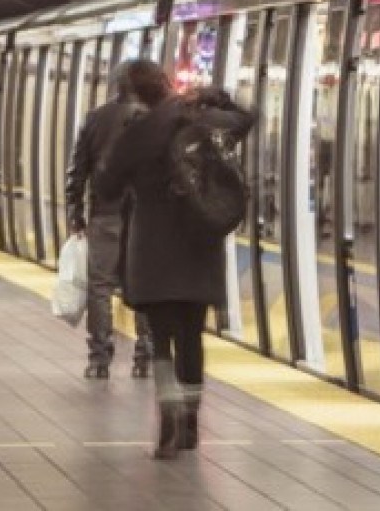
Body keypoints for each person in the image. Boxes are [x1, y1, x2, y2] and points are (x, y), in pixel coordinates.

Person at [95, 60, 254, 460]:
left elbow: (106, 186)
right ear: (166, 83)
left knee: (162, 339)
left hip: (153, 251)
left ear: (133, 94)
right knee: (191, 337)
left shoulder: (137, 134)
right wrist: (215, 97)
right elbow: (245, 120)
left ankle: (169, 417)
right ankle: (191, 422)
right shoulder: (201, 118)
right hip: (200, 244)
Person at [65, 62, 153, 380]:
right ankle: (145, 354)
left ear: (115, 86)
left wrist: (75, 211)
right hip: (144, 218)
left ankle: (99, 359)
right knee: (143, 284)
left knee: (99, 288)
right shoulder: (154, 119)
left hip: (105, 215)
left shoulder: (96, 118)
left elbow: (78, 169)